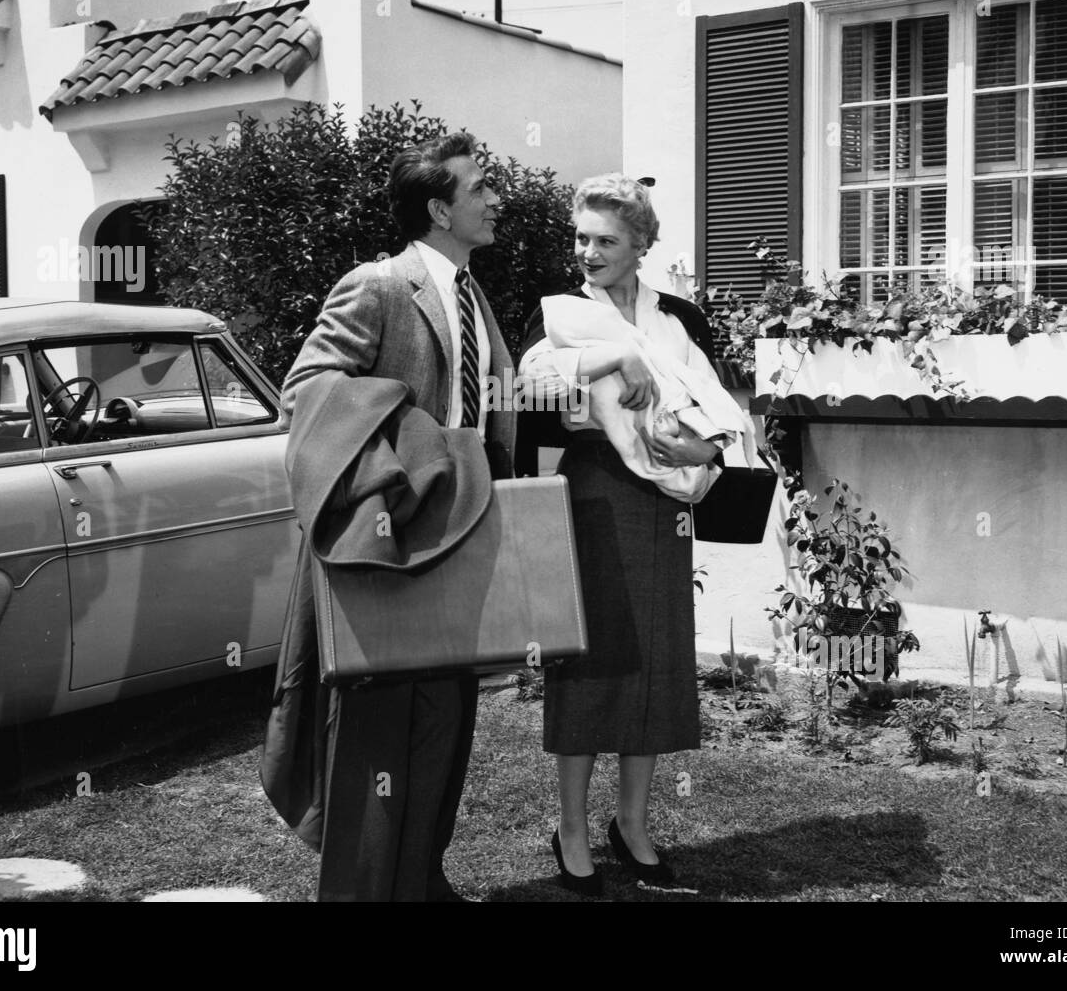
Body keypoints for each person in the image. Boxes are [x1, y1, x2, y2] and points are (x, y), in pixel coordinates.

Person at [278, 130, 514, 902]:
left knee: (446, 719)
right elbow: (309, 391)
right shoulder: (378, 285)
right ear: (440, 207)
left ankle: (421, 876)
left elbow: (492, 405)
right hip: (388, 538)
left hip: (459, 533)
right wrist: (420, 451)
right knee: (377, 731)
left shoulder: (474, 294)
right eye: (479, 186)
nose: (493, 197)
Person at [518, 173, 741, 895]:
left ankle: (634, 823)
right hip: (593, 498)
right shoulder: (557, 316)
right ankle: (573, 827)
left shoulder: (679, 320)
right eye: (581, 238)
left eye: (606, 240)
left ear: (641, 245)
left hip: (664, 504)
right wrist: (610, 363)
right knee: (592, 661)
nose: (588, 252)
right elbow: (529, 396)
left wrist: (704, 452)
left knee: (653, 661)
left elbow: (718, 409)